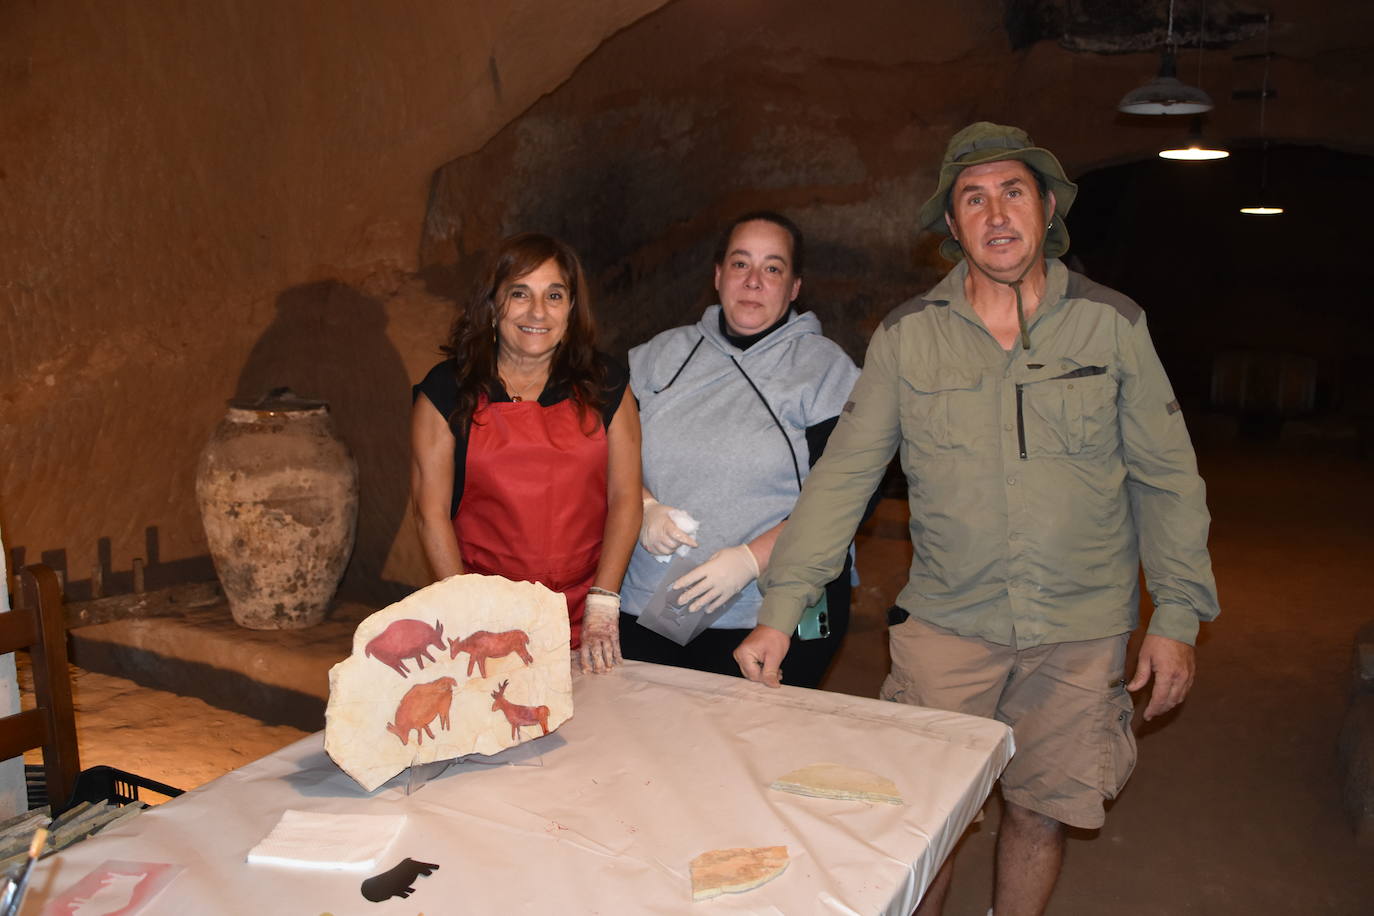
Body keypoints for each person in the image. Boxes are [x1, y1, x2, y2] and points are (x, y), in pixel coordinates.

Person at [734, 123, 1221, 915]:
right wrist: (780, 613)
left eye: (1013, 192)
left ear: (1048, 206)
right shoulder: (906, 338)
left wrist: (1177, 613)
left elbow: (1168, 479)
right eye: (973, 199)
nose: (996, 214)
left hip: (1080, 626)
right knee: (928, 819)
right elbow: (843, 481)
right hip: (947, 626)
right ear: (951, 229)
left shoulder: (1113, 325)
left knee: (1039, 810)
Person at [617, 212, 861, 687]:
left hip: (767, 615)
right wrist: (642, 502)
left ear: (794, 288)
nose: (753, 282)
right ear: (717, 276)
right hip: (651, 607)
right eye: (740, 264)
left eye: (772, 268)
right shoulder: (657, 358)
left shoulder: (826, 372)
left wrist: (751, 558)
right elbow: (600, 449)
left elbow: (845, 496)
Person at [410, 233, 642, 674]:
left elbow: (626, 497)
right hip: (487, 610)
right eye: (520, 294)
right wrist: (469, 612)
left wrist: (603, 604)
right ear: (493, 304)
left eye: (554, 295)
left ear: (571, 310)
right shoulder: (446, 391)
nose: (538, 312)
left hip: (585, 607)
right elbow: (430, 512)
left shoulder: (608, 383)